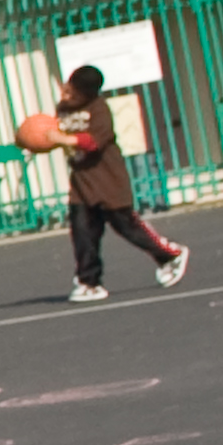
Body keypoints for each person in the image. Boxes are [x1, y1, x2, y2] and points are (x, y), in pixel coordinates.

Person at [57, 65, 186, 304]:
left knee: (126, 226)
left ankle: (169, 255)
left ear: (88, 94)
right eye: (68, 89)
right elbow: (48, 134)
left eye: (74, 93)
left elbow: (92, 142)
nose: (68, 95)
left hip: (108, 180)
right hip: (81, 183)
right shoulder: (63, 109)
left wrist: (62, 138)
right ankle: (89, 282)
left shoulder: (99, 109)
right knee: (83, 232)